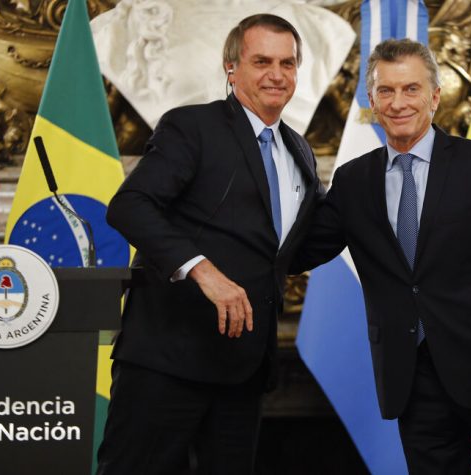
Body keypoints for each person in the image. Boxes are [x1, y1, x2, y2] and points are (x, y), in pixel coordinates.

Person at [290, 38, 471, 474]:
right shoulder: (353, 180)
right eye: (386, 91)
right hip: (411, 377)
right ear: (371, 100)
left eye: (410, 89)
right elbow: (303, 251)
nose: (398, 102)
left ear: (434, 96)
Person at [96, 14, 322, 475]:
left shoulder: (299, 150)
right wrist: (203, 270)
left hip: (244, 369)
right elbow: (130, 205)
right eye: (262, 61)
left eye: (288, 63)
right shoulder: (191, 126)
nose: (277, 74)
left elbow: (290, 250)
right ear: (231, 67)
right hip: (166, 362)